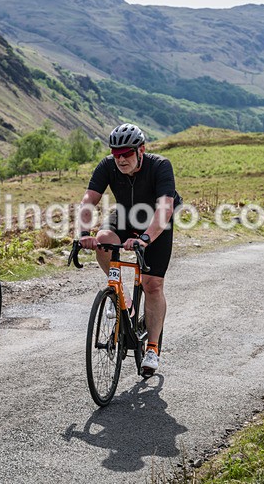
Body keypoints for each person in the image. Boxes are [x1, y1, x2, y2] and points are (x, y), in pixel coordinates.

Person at [75, 123, 178, 375]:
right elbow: (89, 199)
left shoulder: (160, 166)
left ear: (140, 149)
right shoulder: (107, 166)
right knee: (103, 240)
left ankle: (152, 348)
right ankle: (122, 297)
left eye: (126, 154)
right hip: (124, 216)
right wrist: (83, 234)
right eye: (115, 153)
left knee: (152, 284)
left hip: (155, 222)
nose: (120, 159)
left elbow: (164, 208)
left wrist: (144, 239)